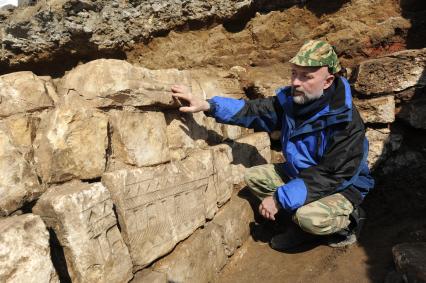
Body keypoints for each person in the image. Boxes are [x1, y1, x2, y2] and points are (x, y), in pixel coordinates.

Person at [171, 40, 374, 251]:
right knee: (254, 178)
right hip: (301, 174)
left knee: (310, 218)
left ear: (327, 81)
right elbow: (253, 111)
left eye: (306, 76)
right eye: (294, 73)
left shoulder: (345, 121)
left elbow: (332, 175)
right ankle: (295, 215)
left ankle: (346, 224)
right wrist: (207, 105)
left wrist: (279, 199)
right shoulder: (292, 102)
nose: (296, 82)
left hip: (342, 186)